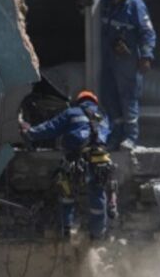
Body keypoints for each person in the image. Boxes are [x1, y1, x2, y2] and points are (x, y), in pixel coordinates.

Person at [21, 90, 114, 240]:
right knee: (98, 195)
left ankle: (67, 229)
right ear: (94, 102)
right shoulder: (103, 116)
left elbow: (50, 128)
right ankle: (97, 233)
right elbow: (109, 134)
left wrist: (30, 132)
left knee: (66, 190)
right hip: (100, 160)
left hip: (75, 158)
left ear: (79, 101)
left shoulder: (72, 112)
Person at [99, 0, 156, 150]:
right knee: (109, 96)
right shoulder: (104, 2)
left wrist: (146, 56)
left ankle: (131, 136)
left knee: (128, 97)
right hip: (108, 59)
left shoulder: (135, 6)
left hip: (127, 61)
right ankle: (116, 134)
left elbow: (147, 33)